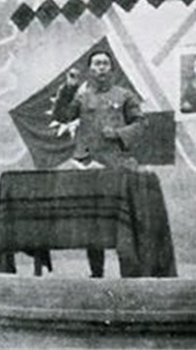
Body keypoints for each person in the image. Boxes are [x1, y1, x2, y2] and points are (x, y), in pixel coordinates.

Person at [52, 50, 147, 277]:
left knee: (122, 219)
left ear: (111, 69)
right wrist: (69, 88)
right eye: (96, 64)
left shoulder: (124, 95)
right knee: (92, 221)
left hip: (116, 165)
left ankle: (130, 274)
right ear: (90, 69)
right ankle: (96, 273)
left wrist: (118, 133)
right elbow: (62, 116)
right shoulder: (82, 97)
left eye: (105, 63)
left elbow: (141, 123)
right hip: (89, 165)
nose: (101, 67)